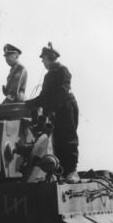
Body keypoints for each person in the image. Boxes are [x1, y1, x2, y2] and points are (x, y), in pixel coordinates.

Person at [26, 42, 80, 183]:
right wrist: (29, 103)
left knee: (68, 139)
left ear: (50, 57)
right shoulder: (48, 75)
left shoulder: (63, 71)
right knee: (58, 141)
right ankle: (63, 172)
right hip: (55, 110)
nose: (42, 62)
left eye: (43, 59)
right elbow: (44, 96)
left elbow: (62, 93)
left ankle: (72, 172)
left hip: (67, 107)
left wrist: (51, 110)